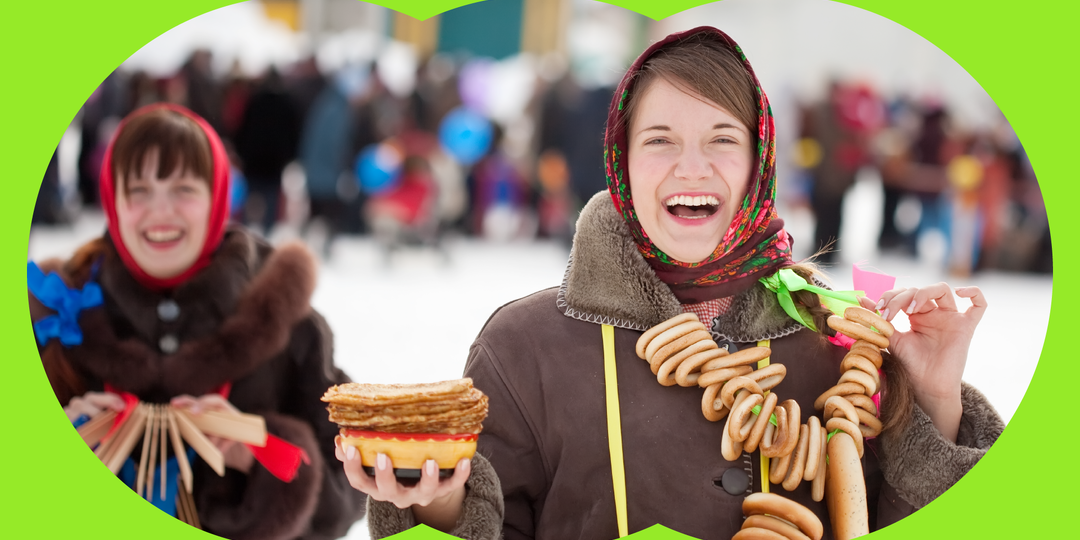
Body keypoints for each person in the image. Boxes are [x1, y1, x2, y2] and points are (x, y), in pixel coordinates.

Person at [339, 27, 1003, 539]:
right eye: (659, 140)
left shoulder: (837, 343)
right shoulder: (524, 347)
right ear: (622, 162)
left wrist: (934, 398)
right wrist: (437, 502)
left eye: (722, 139)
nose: (691, 167)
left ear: (759, 163)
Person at [29, 104, 366, 539]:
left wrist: (259, 452)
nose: (160, 211)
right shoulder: (53, 311)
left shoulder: (289, 322)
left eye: (183, 189)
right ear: (113, 200)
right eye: (139, 190)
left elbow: (349, 492)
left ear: (218, 196)